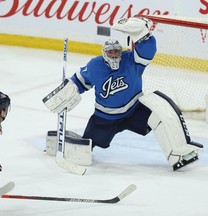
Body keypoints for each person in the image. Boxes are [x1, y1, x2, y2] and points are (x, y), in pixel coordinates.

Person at [43, 17, 203, 170]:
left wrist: (144, 36)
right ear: (104, 53)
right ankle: (59, 144)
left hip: (135, 111)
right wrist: (67, 92)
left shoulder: (131, 60)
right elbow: (79, 82)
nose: (114, 55)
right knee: (87, 146)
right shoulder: (95, 65)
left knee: (159, 116)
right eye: (110, 52)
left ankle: (178, 155)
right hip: (104, 118)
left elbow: (148, 51)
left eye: (116, 52)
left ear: (121, 52)